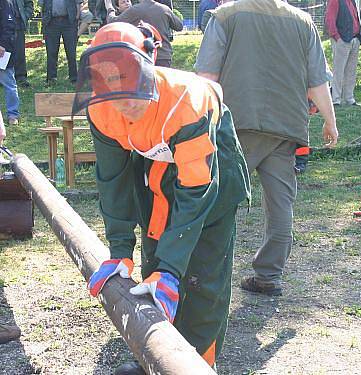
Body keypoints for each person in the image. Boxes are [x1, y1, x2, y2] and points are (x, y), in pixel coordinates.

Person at [75, 22, 250, 374]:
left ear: (148, 63)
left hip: (211, 173)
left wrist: (173, 270)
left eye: (126, 83)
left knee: (201, 275)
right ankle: (157, 353)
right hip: (158, 169)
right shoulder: (102, 109)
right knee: (153, 260)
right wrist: (120, 250)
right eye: (109, 85)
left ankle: (199, 362)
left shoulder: (186, 101)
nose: (122, 101)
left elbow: (197, 188)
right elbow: (113, 179)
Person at [195, 0, 338, 296]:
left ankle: (205, 275)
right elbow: (317, 82)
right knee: (281, 204)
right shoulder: (302, 21)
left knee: (220, 201)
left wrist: (197, 124)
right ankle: (269, 275)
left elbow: (206, 78)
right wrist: (330, 121)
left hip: (235, 125)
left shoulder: (225, 16)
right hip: (285, 127)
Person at [104, 0, 183, 67]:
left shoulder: (135, 10)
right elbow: (179, 26)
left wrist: (110, 8)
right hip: (164, 56)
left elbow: (112, 22)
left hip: (143, 57)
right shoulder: (164, 9)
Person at [325, 0, 361, 106]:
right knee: (339, 71)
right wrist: (336, 37)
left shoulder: (352, 1)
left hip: (354, 38)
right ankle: (336, 99)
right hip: (341, 39)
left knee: (351, 71)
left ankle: (349, 98)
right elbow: (330, 19)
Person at [39, 0, 82, 85]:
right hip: (51, 22)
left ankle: (74, 78)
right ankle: (51, 79)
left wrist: (76, 17)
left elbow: (78, 3)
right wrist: (44, 19)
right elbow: (41, 5)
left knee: (71, 52)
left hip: (69, 22)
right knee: (51, 52)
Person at [0, 0, 20, 126]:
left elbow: (9, 25)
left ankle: (13, 114)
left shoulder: (5, 2)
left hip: (2, 49)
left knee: (8, 82)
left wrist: (2, 45)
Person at [12, 0, 33, 88]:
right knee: (3, 52)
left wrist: (25, 15)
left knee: (19, 52)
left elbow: (29, 3)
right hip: (3, 24)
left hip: (18, 23)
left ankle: (21, 77)